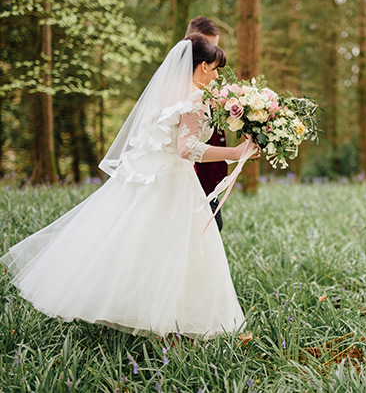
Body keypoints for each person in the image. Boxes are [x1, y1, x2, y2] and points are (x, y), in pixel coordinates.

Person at [0, 34, 259, 340]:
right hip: (172, 181)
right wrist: (234, 153)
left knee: (135, 244)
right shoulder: (195, 98)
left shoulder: (165, 92)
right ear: (202, 66)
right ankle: (188, 323)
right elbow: (187, 149)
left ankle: (132, 310)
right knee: (183, 250)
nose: (217, 76)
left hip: (147, 176)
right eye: (215, 68)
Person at [185, 16, 227, 231]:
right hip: (191, 176)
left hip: (210, 174)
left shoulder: (202, 84)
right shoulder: (187, 90)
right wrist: (235, 152)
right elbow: (186, 145)